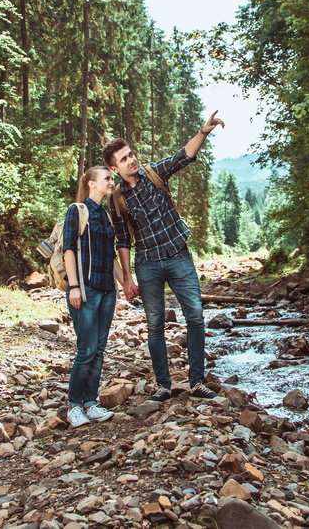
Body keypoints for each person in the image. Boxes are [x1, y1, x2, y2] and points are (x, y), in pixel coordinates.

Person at [103, 111, 225, 402]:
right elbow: (123, 241)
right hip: (147, 263)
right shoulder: (117, 199)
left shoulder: (154, 172)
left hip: (178, 255)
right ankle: (163, 386)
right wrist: (127, 278)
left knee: (195, 316)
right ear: (114, 168)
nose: (131, 160)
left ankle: (197, 382)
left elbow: (183, 155)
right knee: (155, 324)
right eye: (123, 159)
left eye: (130, 154)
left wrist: (204, 131)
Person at [62, 165, 122, 427]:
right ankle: (74, 405)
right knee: (86, 349)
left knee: (98, 349)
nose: (112, 182)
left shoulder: (106, 217)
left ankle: (91, 403)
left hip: (108, 290)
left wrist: (126, 283)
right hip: (84, 291)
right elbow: (68, 250)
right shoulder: (77, 211)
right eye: (107, 179)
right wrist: (74, 286)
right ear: (92, 184)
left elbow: (110, 256)